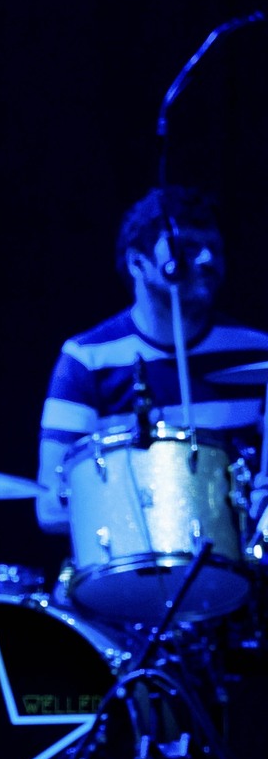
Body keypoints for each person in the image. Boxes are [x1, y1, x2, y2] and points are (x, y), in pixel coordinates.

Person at [37, 186, 268, 536]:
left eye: (214, 248)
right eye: (187, 248)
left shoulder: (258, 354)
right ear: (138, 263)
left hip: (239, 562)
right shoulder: (87, 360)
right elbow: (52, 506)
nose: (207, 259)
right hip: (134, 558)